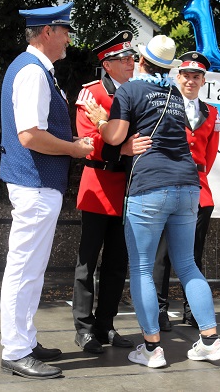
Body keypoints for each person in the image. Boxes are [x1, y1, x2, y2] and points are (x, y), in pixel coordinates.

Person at [84, 35, 220, 368]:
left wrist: (100, 121)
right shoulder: (175, 94)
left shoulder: (130, 90)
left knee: (142, 268)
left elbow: (116, 137)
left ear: (142, 62)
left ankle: (151, 350)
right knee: (188, 265)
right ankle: (210, 340)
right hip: (189, 187)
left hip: (150, 186)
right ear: (167, 67)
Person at [0, 2, 94, 380]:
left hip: (36, 183)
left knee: (32, 269)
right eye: (65, 30)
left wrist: (68, 140)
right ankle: (17, 349)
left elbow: (35, 132)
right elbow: (30, 136)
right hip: (35, 184)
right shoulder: (33, 72)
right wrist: (73, 148)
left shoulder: (34, 69)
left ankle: (24, 339)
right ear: (47, 33)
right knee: (25, 269)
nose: (69, 37)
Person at [73, 31, 150, 353]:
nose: (132, 63)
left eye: (133, 57)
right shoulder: (91, 94)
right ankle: (84, 328)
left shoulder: (138, 93)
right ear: (107, 64)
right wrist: (124, 149)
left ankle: (106, 325)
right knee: (87, 263)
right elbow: (88, 143)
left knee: (118, 264)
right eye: (125, 59)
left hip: (129, 189)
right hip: (99, 184)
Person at [153, 51, 220, 331]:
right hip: (165, 185)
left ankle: (192, 309)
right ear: (177, 77)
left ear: (203, 81)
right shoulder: (163, 104)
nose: (190, 81)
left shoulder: (212, 112)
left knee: (193, 254)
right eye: (185, 75)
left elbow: (210, 154)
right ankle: (159, 309)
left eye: (196, 76)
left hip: (198, 190)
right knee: (161, 253)